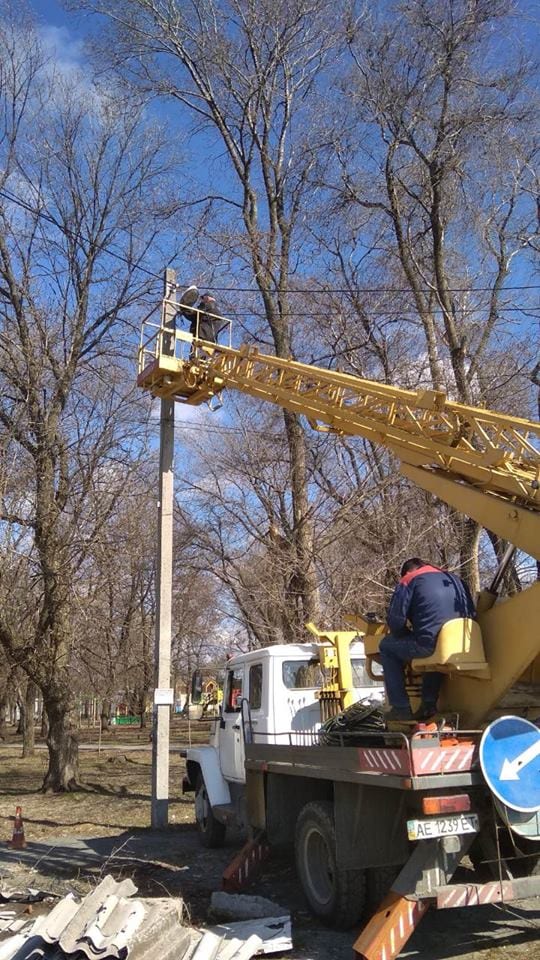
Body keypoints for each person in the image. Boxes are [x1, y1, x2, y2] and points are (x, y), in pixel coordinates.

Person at [379, 558, 477, 721]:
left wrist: (404, 634)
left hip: (430, 643)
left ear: (408, 571)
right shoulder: (456, 580)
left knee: (387, 647)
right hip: (464, 643)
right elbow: (472, 612)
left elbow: (395, 623)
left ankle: (400, 707)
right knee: (436, 653)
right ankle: (428, 704)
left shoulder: (409, 580)